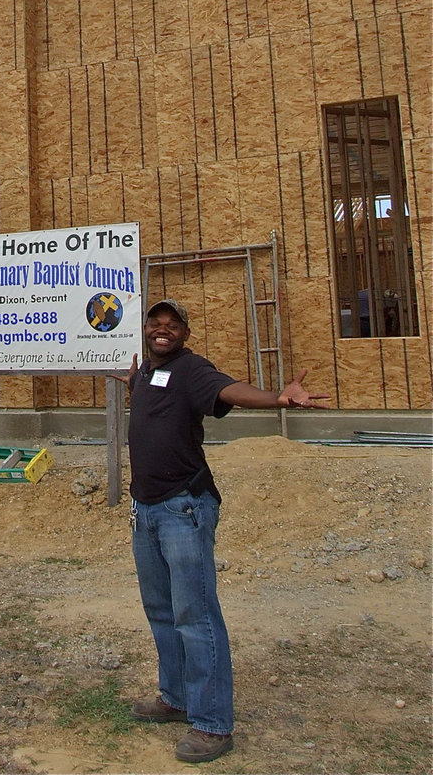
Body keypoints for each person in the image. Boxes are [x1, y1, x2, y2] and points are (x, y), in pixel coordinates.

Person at [126, 298, 329, 764]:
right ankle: (176, 697)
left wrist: (277, 398)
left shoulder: (192, 369)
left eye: (172, 324)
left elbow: (228, 389)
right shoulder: (147, 372)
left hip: (183, 508)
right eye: (155, 323)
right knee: (161, 610)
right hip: (147, 509)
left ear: (185, 333)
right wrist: (134, 384)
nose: (162, 329)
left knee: (194, 616)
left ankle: (213, 724)